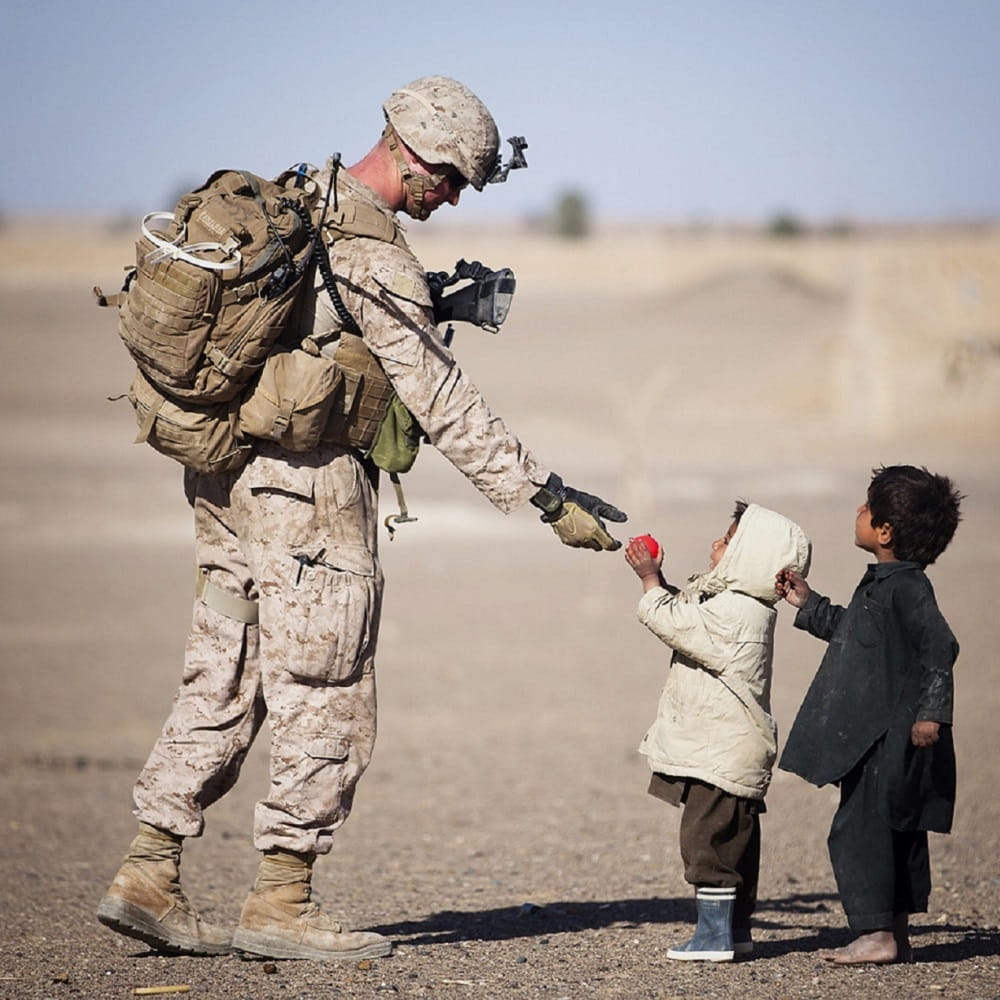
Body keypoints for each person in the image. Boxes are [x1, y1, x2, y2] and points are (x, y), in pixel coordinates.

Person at [97, 75, 627, 963]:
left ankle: (148, 872)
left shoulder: (303, 201)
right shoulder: (372, 252)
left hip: (226, 481)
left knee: (224, 670)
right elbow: (443, 399)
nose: (452, 198)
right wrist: (543, 495)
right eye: (452, 179)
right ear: (413, 153)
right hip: (307, 496)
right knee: (327, 689)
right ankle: (282, 902)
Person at [776, 465, 962, 965]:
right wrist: (808, 603)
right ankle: (894, 934)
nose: (858, 511)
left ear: (884, 532)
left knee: (862, 829)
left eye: (866, 507)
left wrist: (931, 714)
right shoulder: (882, 583)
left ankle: (875, 934)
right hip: (876, 735)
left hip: (891, 736)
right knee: (891, 827)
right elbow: (855, 633)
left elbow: (939, 647)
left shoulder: (908, 589)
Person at [625, 501, 812, 962]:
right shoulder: (735, 605)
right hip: (728, 749)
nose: (716, 544)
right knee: (735, 844)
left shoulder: (738, 613)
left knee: (706, 842)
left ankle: (713, 937)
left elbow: (675, 622)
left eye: (728, 541)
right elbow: (689, 613)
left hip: (722, 753)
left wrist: (650, 581)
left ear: (751, 556)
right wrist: (662, 581)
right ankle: (736, 931)